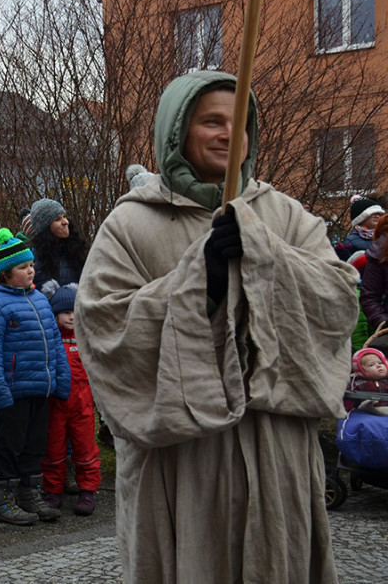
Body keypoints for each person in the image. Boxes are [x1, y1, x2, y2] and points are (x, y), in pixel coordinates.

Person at [75, 70, 358, 582]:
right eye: (211, 122)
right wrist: (197, 281)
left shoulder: (286, 216)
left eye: (240, 123)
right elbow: (103, 330)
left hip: (277, 455)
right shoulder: (130, 226)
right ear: (177, 130)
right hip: (183, 463)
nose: (230, 134)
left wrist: (266, 259)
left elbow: (336, 306)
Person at [0, 229, 68, 525]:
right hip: (14, 389)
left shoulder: (40, 299)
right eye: (22, 267)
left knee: (34, 443)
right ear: (5, 273)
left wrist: (60, 380)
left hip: (40, 387)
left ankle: (30, 494)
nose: (30, 271)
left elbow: (55, 343)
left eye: (30, 265)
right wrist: (0, 393)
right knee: (10, 445)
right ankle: (1, 499)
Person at [39, 283, 100, 516]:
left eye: (75, 312)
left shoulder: (86, 339)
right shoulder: (51, 339)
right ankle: (52, 491)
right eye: (65, 312)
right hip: (56, 405)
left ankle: (87, 490)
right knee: (53, 450)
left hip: (82, 406)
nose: (71, 317)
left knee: (85, 449)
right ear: (55, 314)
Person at [28, 198, 89, 293]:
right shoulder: (35, 259)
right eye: (57, 219)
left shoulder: (79, 251)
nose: (65, 222)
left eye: (64, 216)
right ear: (45, 227)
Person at [338, 195, 384, 261]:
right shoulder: (351, 241)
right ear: (361, 218)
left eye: (379, 214)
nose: (377, 216)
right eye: (372, 213)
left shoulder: (383, 236)